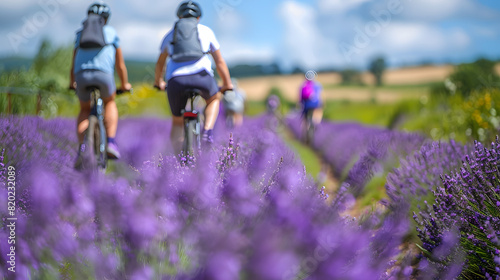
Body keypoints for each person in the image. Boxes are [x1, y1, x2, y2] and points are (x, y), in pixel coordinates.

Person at [154, 1, 233, 153]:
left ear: (179, 17)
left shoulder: (170, 34)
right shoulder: (206, 31)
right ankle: (208, 132)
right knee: (214, 99)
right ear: (198, 18)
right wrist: (227, 83)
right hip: (202, 78)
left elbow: (160, 64)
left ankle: (179, 164)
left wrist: (159, 82)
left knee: (177, 122)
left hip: (176, 81)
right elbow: (219, 62)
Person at [70, 2, 131, 164]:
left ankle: (83, 147)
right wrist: (125, 84)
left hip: (81, 75)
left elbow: (73, 62)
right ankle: (110, 142)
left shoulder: (80, 34)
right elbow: (120, 65)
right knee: (110, 102)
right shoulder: (111, 32)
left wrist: (72, 83)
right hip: (103, 76)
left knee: (84, 109)